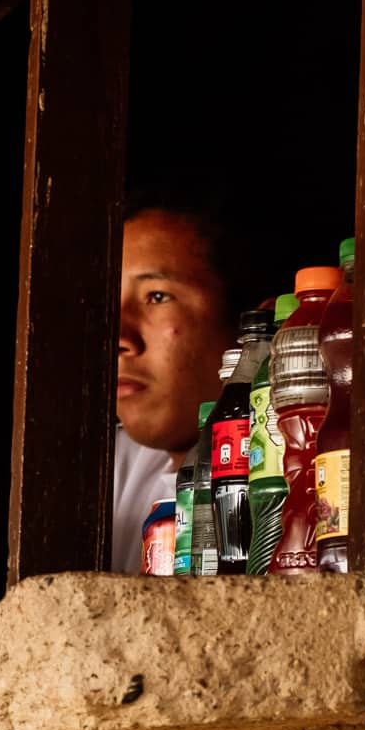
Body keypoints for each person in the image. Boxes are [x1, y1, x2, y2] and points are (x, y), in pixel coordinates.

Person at [109, 190, 260, 571]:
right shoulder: (109, 471)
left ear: (251, 326)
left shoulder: (289, 474)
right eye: (109, 300)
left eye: (157, 296)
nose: (120, 338)